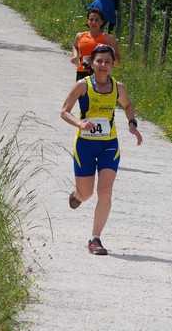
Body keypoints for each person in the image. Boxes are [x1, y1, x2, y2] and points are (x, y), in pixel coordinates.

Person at [61, 43, 142, 256]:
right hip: (85, 145)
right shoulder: (82, 85)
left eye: (107, 61)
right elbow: (64, 111)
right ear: (92, 63)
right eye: (99, 61)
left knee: (105, 191)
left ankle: (95, 239)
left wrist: (132, 123)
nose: (103, 65)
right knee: (86, 194)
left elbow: (127, 105)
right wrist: (79, 124)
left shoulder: (118, 87)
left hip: (109, 145)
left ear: (113, 64)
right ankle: (78, 194)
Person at [71, 8, 120, 80]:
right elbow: (75, 46)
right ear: (87, 21)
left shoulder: (108, 38)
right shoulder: (80, 36)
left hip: (100, 73)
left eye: (97, 20)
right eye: (91, 20)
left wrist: (110, 58)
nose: (94, 22)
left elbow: (117, 61)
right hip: (82, 72)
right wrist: (75, 55)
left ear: (102, 22)